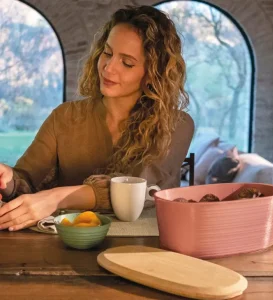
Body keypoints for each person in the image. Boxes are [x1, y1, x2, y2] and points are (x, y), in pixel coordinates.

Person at [0, 5, 194, 231]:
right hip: (67, 249)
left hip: (146, 250)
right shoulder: (64, 117)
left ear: (153, 73)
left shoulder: (177, 125)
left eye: (127, 62)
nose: (108, 68)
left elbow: (137, 191)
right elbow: (26, 183)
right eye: (108, 53)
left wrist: (55, 198)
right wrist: (7, 178)